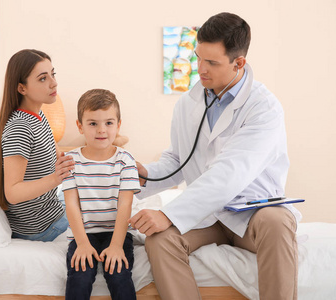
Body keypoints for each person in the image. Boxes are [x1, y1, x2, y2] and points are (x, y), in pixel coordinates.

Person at [129, 12, 302, 300]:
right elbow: (178, 160)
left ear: (239, 63)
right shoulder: (188, 104)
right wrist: (145, 174)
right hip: (210, 217)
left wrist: (169, 213)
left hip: (252, 212)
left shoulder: (264, 108)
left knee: (277, 221)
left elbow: (229, 174)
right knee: (160, 240)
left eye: (212, 62)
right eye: (198, 58)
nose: (201, 69)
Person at [0, 49, 74, 242]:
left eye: (53, 74)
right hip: (41, 226)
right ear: (22, 88)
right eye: (43, 78)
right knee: (110, 216)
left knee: (100, 201)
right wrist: (56, 178)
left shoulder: (38, 116)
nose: (54, 82)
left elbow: (58, 157)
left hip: (50, 208)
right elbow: (13, 192)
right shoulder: (20, 128)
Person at [62, 89, 140, 300]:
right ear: (80, 126)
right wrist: (83, 244)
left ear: (118, 125)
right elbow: (71, 205)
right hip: (83, 234)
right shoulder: (70, 161)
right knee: (79, 275)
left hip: (116, 234)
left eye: (108, 123)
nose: (101, 130)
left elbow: (125, 206)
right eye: (93, 123)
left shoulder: (125, 160)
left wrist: (116, 246)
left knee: (118, 274)